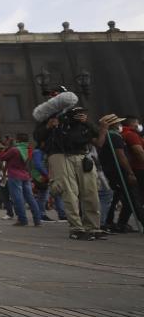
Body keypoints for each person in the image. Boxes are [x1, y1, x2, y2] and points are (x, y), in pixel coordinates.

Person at [33, 88, 101, 240]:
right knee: (69, 192)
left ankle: (93, 227)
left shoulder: (78, 113)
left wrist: (86, 122)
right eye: (50, 96)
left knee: (90, 191)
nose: (52, 97)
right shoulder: (46, 116)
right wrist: (48, 126)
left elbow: (95, 134)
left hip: (82, 156)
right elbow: (37, 137)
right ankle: (76, 228)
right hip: (59, 155)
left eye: (55, 94)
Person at [98, 114, 143, 232]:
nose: (120, 124)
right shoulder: (114, 136)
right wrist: (130, 172)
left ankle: (112, 222)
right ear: (113, 124)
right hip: (117, 171)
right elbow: (121, 156)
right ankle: (109, 222)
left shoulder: (111, 136)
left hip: (111, 171)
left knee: (116, 197)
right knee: (132, 198)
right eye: (118, 123)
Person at [0, 135, 42, 227]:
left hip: (14, 175)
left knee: (18, 198)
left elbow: (2, 157)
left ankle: (22, 220)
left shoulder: (14, 150)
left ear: (18, 140)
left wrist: (3, 149)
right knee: (31, 198)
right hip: (25, 175)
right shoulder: (29, 149)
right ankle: (37, 220)